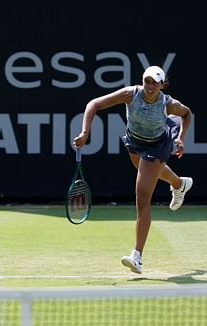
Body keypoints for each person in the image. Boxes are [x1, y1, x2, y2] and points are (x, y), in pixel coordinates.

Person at [72, 66, 193, 274]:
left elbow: (187, 113)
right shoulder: (131, 94)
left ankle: (137, 256)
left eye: (155, 82)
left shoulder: (169, 104)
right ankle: (179, 183)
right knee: (146, 171)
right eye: (147, 81)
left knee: (142, 197)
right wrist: (85, 132)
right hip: (135, 142)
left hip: (157, 145)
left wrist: (181, 137)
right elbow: (94, 104)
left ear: (163, 84)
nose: (150, 86)